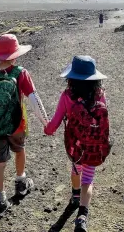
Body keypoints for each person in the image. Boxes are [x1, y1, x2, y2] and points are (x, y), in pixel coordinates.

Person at [0, 34, 49, 215]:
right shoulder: (21, 73)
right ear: (15, 54)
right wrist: (46, 122)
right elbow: (34, 100)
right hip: (17, 125)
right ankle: (21, 182)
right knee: (19, 150)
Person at [44, 56, 108, 232]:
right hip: (94, 146)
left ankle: (75, 195)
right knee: (88, 179)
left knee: (76, 170)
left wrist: (48, 129)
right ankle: (82, 216)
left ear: (70, 78)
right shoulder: (100, 94)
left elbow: (55, 121)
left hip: (75, 146)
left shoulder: (67, 96)